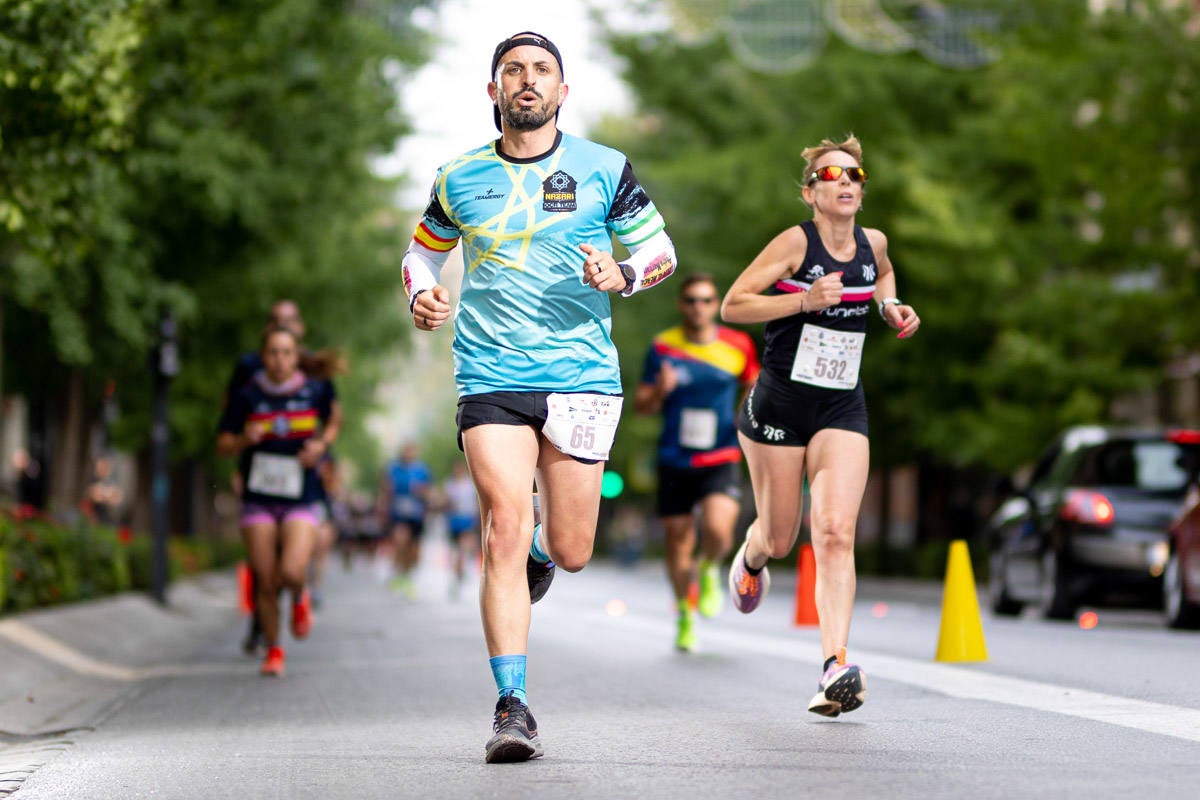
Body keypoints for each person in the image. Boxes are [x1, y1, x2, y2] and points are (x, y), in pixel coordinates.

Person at [403, 31, 677, 763]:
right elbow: (420, 252)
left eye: (541, 71)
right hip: (490, 373)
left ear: (562, 90)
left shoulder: (604, 169)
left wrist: (625, 274)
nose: (528, 81)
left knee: (572, 547)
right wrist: (425, 293)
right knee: (502, 520)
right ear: (493, 92)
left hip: (583, 375)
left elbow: (660, 252)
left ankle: (541, 551)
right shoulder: (458, 175)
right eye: (513, 71)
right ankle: (512, 706)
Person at [720, 134, 919, 718]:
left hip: (840, 406)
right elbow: (735, 304)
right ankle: (752, 556)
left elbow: (883, 272)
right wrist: (803, 301)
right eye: (834, 175)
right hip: (777, 409)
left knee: (833, 531)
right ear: (811, 192)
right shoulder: (793, 243)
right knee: (782, 538)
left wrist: (889, 305)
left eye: (857, 176)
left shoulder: (872, 242)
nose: (848, 183)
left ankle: (835, 665)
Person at [634, 273, 759, 652]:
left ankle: (709, 569)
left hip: (720, 453)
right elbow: (641, 405)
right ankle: (684, 616)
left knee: (721, 531)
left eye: (705, 300)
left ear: (715, 303)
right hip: (674, 456)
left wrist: (746, 411)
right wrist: (660, 389)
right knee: (678, 540)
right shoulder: (663, 347)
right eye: (691, 300)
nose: (698, 307)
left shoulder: (738, 345)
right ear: (680, 304)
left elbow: (756, 388)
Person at [217, 325, 341, 677]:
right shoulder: (247, 396)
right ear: (263, 356)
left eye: (286, 352)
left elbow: (333, 418)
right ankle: (273, 649)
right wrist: (243, 439)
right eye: (272, 352)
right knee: (266, 578)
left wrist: (321, 446)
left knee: (290, 571)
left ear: (296, 355)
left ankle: (300, 596)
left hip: (301, 495)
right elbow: (222, 444)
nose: (279, 360)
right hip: (258, 498)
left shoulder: (314, 389)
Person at [378, 442, 432, 599]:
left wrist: (422, 492)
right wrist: (383, 508)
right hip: (398, 514)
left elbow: (429, 492)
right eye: (407, 450)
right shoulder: (393, 469)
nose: (409, 453)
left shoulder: (422, 470)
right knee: (400, 540)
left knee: (414, 551)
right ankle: (398, 572)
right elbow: (385, 489)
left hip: (416, 515)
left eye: (412, 451)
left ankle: (406, 575)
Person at [441, 460, 481, 600]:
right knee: (457, 552)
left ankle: (460, 572)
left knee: (463, 549)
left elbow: (477, 502)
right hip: (454, 523)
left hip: (467, 522)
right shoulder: (450, 485)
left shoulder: (470, 485)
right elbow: (445, 503)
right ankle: (457, 575)